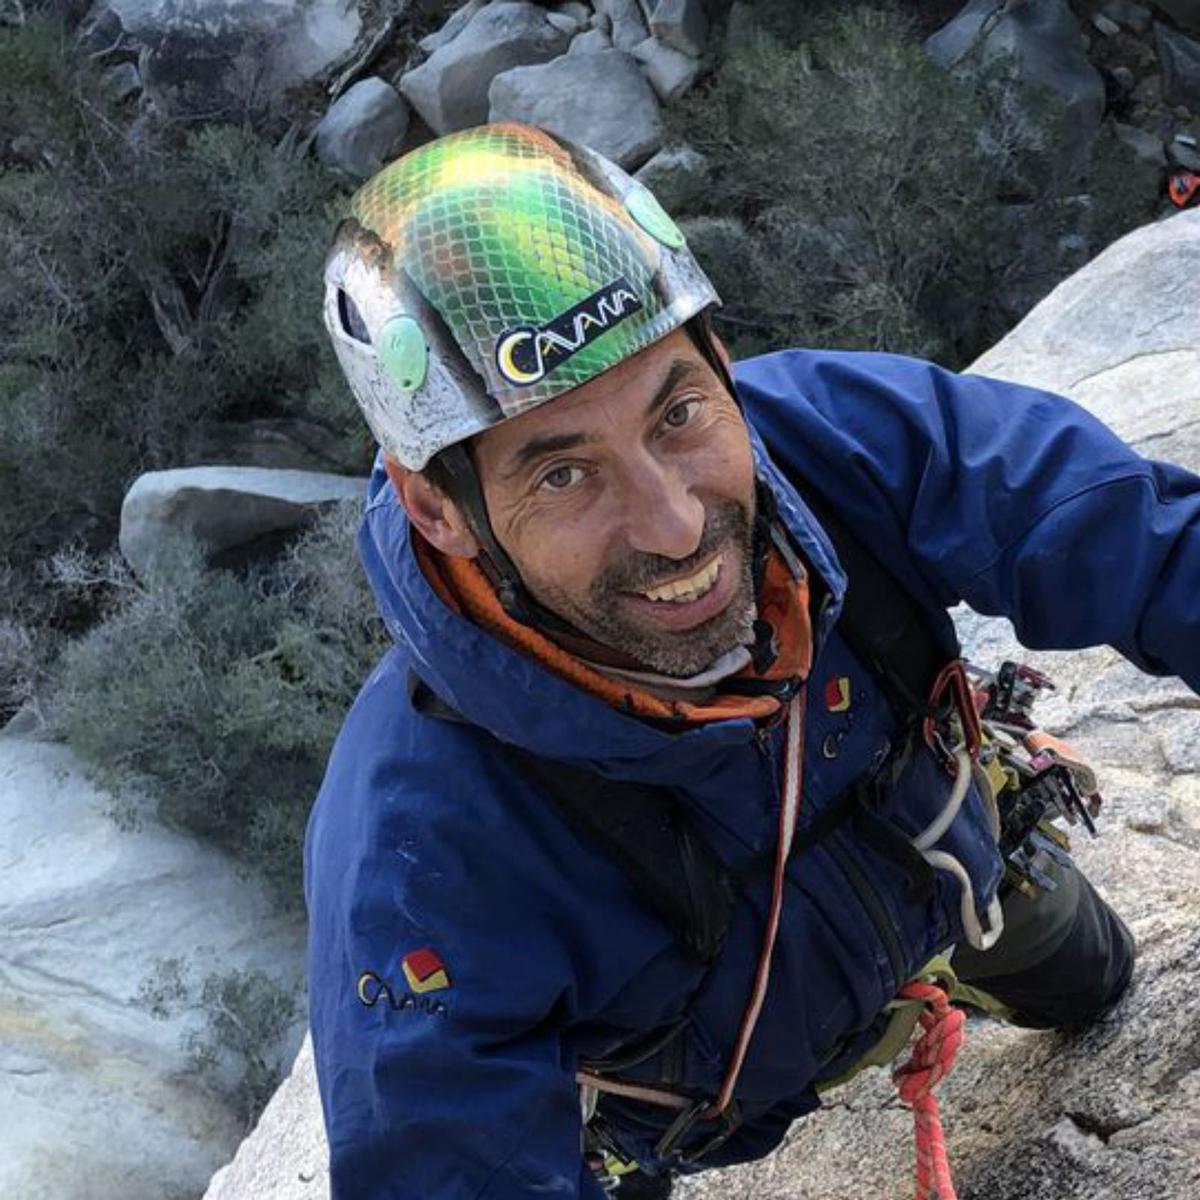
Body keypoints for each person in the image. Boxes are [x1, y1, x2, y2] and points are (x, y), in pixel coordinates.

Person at [305, 122, 1200, 1200]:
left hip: (935, 868)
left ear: (721, 365)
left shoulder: (844, 440)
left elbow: (1136, 541)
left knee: (1094, 981)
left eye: (678, 412)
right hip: (688, 1099)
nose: (677, 523)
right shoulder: (419, 851)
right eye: (563, 477)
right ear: (438, 510)